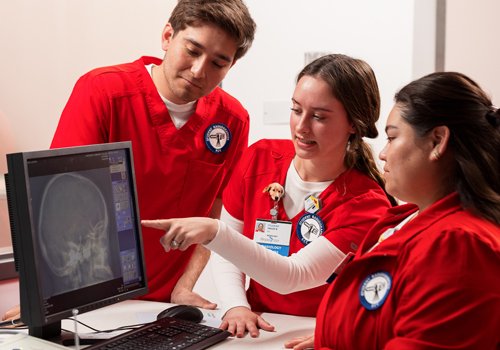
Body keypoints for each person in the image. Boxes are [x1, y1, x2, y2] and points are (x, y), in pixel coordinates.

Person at [1, 0, 256, 324]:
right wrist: (45, 298)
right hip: (89, 297)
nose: (199, 71)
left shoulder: (232, 120)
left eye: (218, 63)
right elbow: (58, 200)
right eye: (192, 50)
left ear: (230, 67)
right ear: (167, 37)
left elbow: (215, 208)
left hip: (165, 306)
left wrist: (184, 284)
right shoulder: (102, 92)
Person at [143, 54, 396, 338]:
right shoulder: (258, 159)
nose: (301, 127)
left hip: (315, 332)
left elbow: (291, 276)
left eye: (319, 117)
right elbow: (229, 257)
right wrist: (235, 306)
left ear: (354, 123)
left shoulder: (367, 205)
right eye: (297, 110)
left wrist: (214, 231)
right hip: (259, 327)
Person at [286, 71, 500, 349]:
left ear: (437, 141)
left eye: (392, 138)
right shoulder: (404, 219)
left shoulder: (458, 245)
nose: (383, 154)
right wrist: (347, 333)